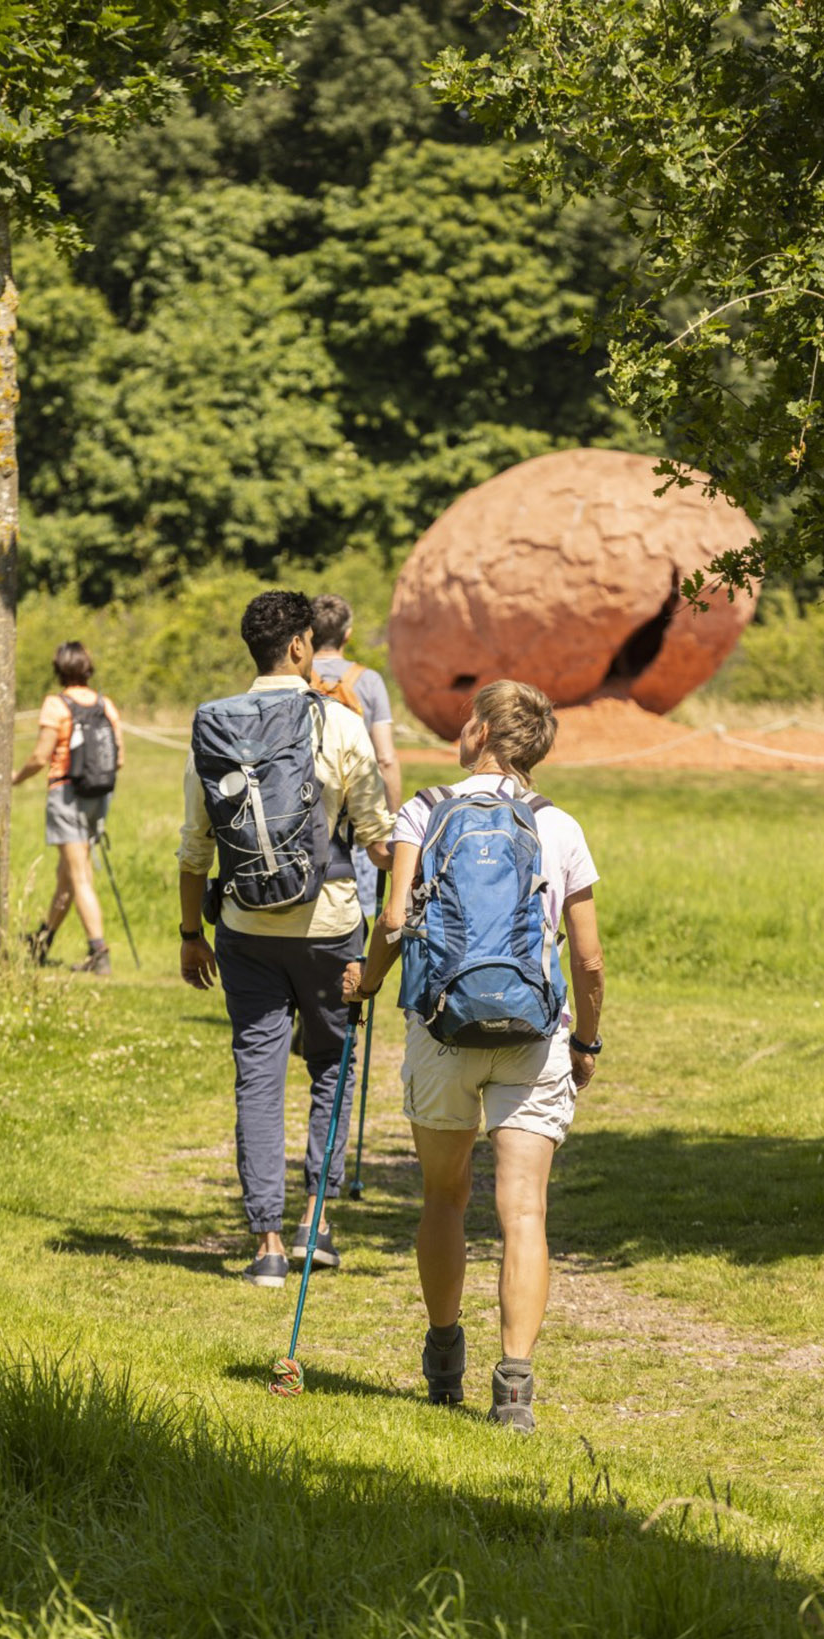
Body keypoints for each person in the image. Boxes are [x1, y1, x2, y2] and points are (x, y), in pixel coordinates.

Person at [343, 679, 604, 1431]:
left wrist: (366, 981)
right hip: (532, 1036)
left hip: (441, 1029)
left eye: (469, 719)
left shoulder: (422, 811)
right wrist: (584, 1040)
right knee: (523, 1210)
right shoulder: (559, 825)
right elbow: (586, 960)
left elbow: (393, 918)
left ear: (484, 732)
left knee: (444, 1197)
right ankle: (515, 1387)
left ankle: (443, 1354)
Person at [178, 591, 393, 1289]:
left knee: (258, 1072)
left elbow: (193, 851)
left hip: (243, 928)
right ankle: (314, 1225)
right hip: (331, 925)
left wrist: (191, 934)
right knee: (332, 1065)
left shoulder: (214, 729)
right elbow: (377, 840)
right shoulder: (338, 725)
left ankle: (267, 1243)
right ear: (301, 646)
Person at [13, 640, 124, 975]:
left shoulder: (56, 706)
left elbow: (39, 756)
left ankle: (99, 952)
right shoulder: (106, 705)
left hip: (66, 795)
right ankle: (42, 942)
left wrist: (13, 780)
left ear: (59, 668)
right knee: (67, 876)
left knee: (79, 876)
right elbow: (119, 757)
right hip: (99, 797)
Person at [309, 594, 401, 919]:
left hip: (303, 811)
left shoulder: (296, 676)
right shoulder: (369, 681)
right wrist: (390, 820)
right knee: (356, 912)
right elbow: (385, 758)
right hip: (357, 814)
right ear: (347, 634)